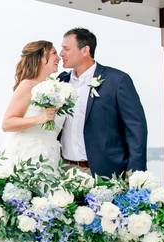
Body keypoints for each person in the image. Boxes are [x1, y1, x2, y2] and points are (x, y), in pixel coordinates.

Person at [58, 28, 148, 177]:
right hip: (65, 171)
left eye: (66, 49)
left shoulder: (117, 80)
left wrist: (136, 173)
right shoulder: (61, 81)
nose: (61, 53)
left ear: (85, 50)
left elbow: (136, 128)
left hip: (104, 172)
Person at [0, 40, 63, 166]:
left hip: (50, 156)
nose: (59, 57)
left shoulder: (54, 88)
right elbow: (6, 124)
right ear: (40, 58)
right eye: (54, 53)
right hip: (28, 157)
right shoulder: (27, 85)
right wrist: (40, 118)